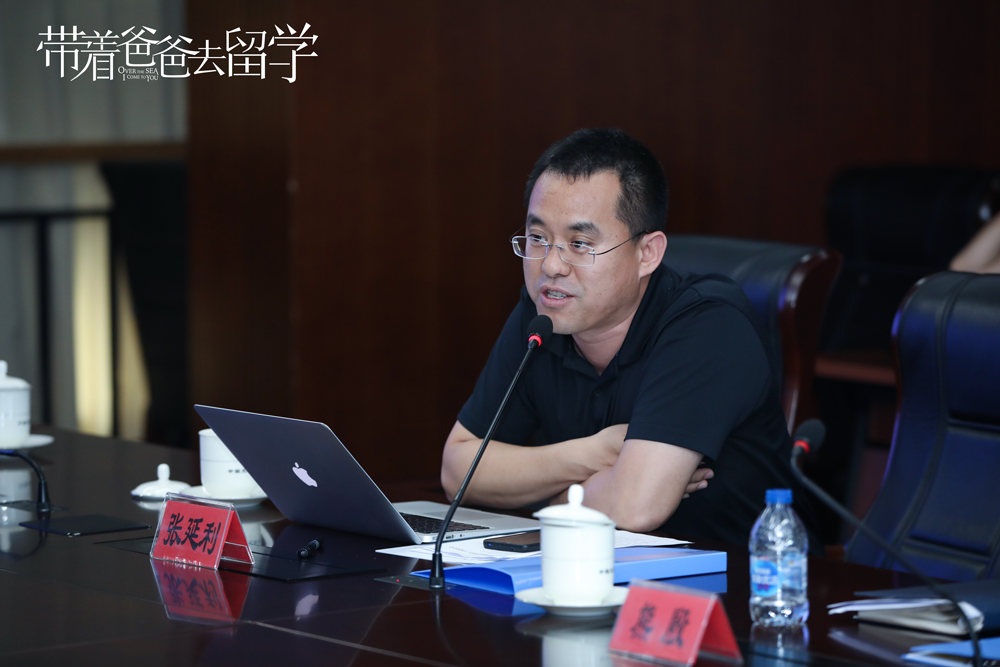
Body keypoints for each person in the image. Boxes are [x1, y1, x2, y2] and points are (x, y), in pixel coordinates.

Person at [441, 128, 821, 550]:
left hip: (744, 578)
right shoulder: (542, 315)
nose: (550, 266)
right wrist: (593, 454)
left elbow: (635, 506)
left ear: (647, 254)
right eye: (538, 238)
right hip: (596, 570)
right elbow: (458, 472)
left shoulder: (708, 325)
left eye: (580, 243)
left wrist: (550, 498)